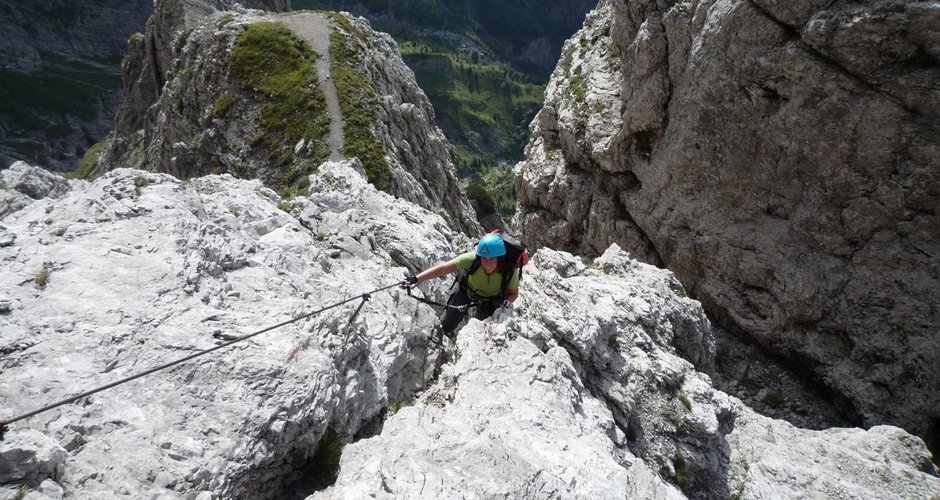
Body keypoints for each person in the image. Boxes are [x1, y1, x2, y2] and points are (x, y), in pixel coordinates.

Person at [403, 233, 519, 334]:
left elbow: (513, 293)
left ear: (500, 258)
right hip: (466, 291)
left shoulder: (509, 271)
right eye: (484, 258)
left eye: (492, 259)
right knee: (447, 324)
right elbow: (443, 269)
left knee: (482, 329)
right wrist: (416, 278)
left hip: (490, 301)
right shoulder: (472, 259)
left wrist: (507, 301)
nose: (487, 264)